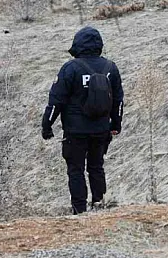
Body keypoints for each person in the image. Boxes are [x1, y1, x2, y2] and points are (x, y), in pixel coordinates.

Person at [42, 27, 124, 215]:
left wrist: (47, 125)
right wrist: (116, 125)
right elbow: (118, 100)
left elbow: (56, 101)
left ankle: (79, 211)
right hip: (101, 130)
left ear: (77, 44)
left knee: (76, 169)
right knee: (97, 167)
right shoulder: (110, 68)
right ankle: (99, 204)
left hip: (75, 131)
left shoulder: (70, 68)